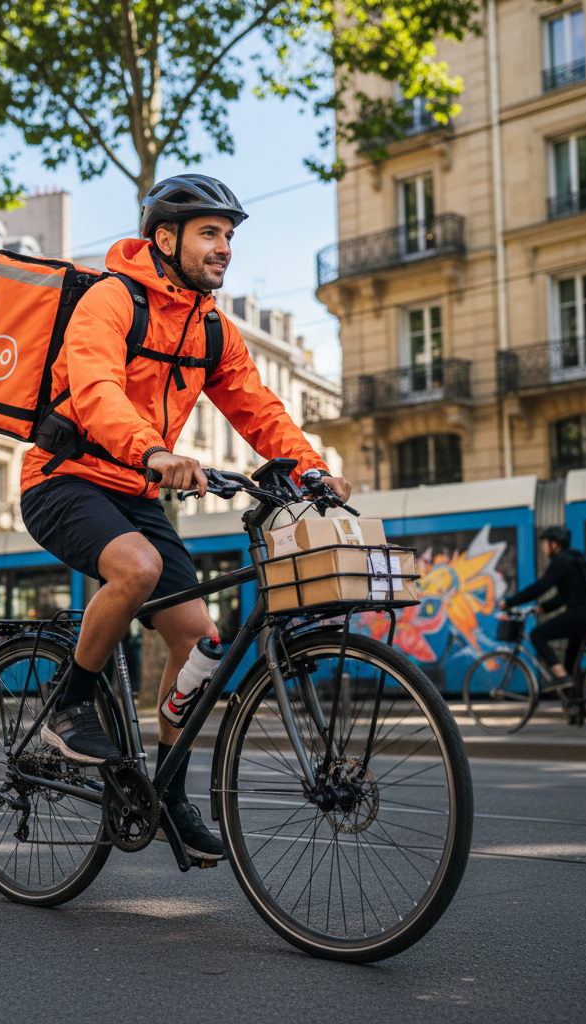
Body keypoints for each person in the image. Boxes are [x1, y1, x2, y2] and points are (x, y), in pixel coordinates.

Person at [19, 173, 353, 860]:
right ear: (165, 239)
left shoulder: (211, 328)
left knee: (200, 641)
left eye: (228, 235)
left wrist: (311, 468)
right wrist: (153, 450)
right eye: (209, 233)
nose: (224, 246)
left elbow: (258, 407)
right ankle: (68, 707)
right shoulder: (112, 300)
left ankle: (167, 795)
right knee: (137, 567)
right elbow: (96, 387)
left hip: (137, 492)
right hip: (63, 479)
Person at [499, 525, 586, 725]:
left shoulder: (562, 560)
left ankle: (561, 679)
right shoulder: (574, 557)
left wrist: (510, 602)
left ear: (555, 544)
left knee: (537, 635)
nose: (544, 548)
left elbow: (539, 588)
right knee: (570, 666)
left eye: (545, 543)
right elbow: (566, 595)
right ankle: (579, 707)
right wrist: (544, 608)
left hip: (580, 617)